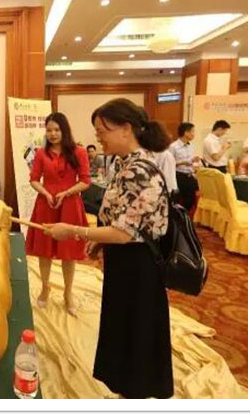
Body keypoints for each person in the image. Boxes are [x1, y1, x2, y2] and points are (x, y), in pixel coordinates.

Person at [45, 98, 173, 399]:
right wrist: (100, 240)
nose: (98, 137)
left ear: (126, 129)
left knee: (135, 331)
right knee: (123, 328)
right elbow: (123, 219)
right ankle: (125, 391)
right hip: (124, 262)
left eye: (103, 131)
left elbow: (125, 233)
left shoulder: (139, 170)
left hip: (138, 267)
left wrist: (74, 231)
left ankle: (134, 394)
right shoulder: (123, 163)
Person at [25, 112, 90, 314]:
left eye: (56, 130)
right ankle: (45, 288)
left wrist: (66, 192)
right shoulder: (41, 153)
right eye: (49, 130)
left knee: (68, 252)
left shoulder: (79, 151)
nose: (52, 134)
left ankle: (68, 293)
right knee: (44, 250)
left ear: (64, 130)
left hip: (70, 205)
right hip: (46, 205)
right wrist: (45, 192)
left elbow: (85, 181)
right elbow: (34, 179)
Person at [168, 122, 200, 212]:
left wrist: (195, 162)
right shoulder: (173, 147)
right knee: (178, 201)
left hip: (189, 175)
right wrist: (183, 162)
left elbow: (190, 161)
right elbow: (170, 164)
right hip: (179, 176)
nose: (194, 134)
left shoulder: (191, 146)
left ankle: (186, 217)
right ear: (186, 133)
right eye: (192, 132)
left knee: (191, 201)